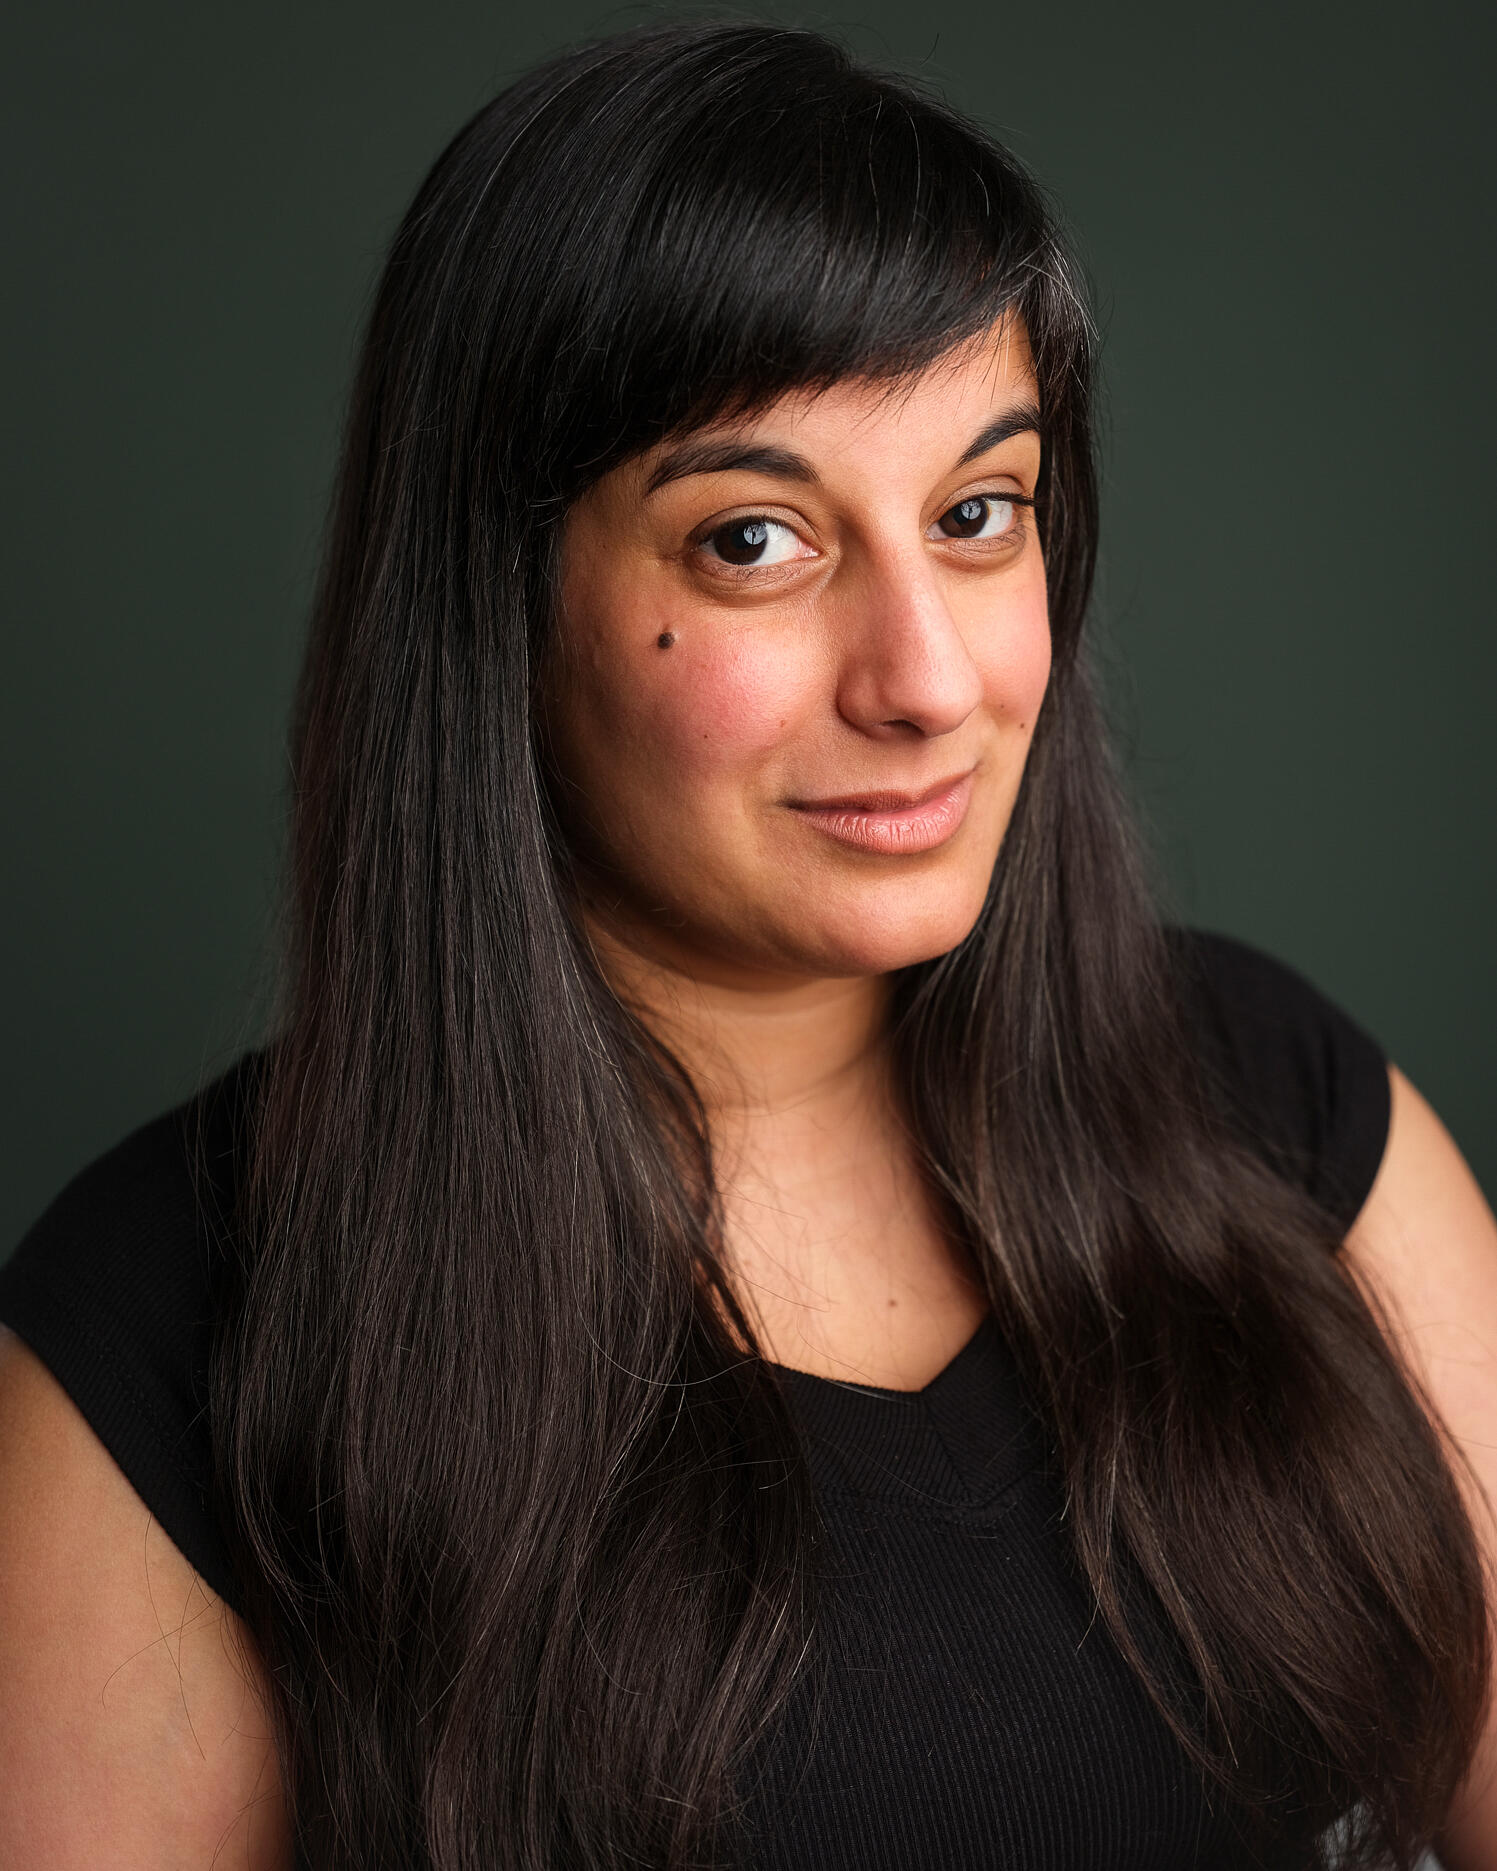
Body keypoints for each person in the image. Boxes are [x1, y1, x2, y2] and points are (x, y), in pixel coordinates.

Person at [1, 18, 1494, 1870]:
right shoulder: (168, 1330)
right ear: (501, 603)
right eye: (755, 542)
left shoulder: (1279, 1113)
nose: (929, 681)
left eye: (975, 514)